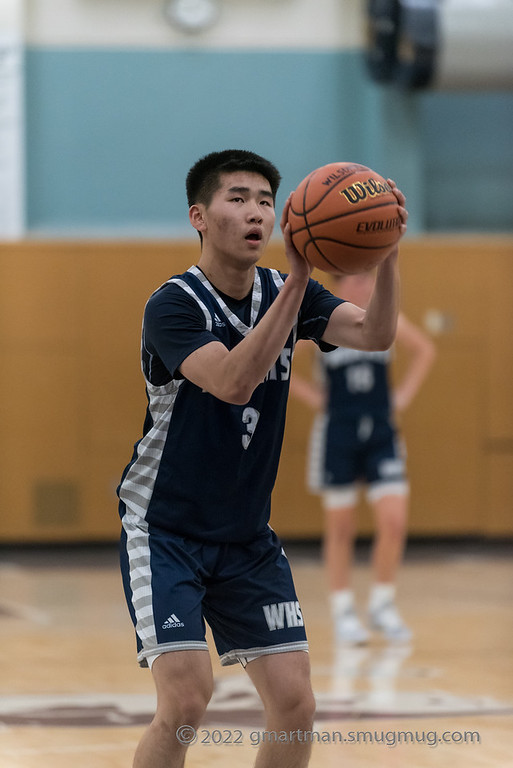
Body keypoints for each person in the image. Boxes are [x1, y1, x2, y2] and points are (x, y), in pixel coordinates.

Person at [117, 149, 407, 768]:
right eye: (239, 199)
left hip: (245, 537)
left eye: (267, 202)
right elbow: (230, 381)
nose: (256, 213)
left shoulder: (283, 291)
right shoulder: (173, 305)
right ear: (199, 215)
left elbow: (376, 335)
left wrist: (387, 255)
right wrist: (299, 281)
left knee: (296, 704)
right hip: (164, 529)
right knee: (188, 700)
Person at [290, 270, 436, 645]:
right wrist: (315, 399)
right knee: (340, 526)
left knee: (394, 520)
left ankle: (383, 605)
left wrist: (401, 397)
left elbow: (425, 349)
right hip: (338, 431)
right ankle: (343, 613)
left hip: (381, 431)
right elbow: (283, 360)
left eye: (368, 277)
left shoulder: (384, 315)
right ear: (338, 283)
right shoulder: (323, 321)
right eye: (356, 278)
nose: (364, 284)